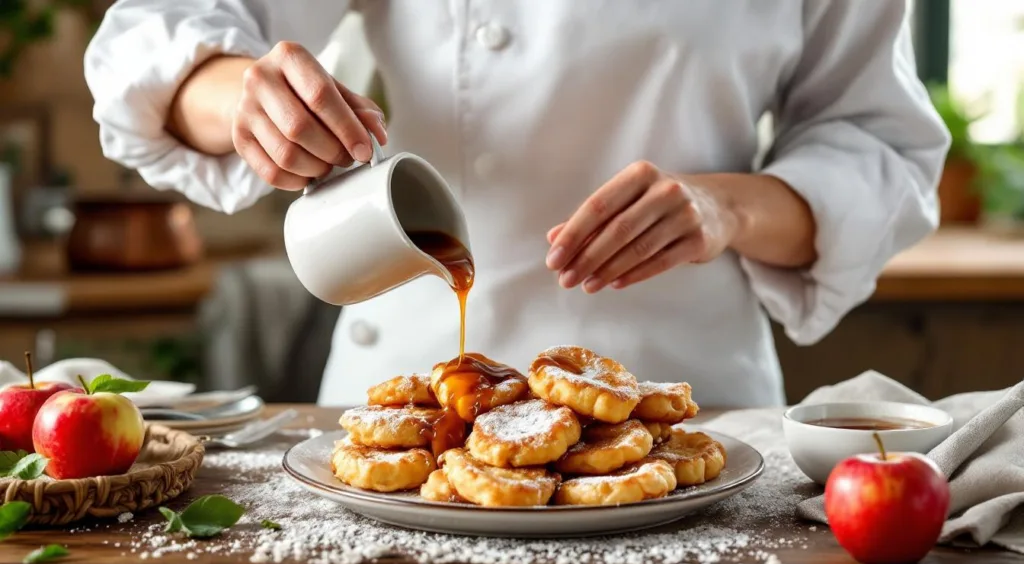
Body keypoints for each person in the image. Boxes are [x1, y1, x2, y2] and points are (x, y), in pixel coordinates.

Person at [84, 1, 950, 408]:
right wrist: (244, 96)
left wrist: (725, 207)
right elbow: (156, 38)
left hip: (695, 407)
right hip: (409, 393)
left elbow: (879, 148)